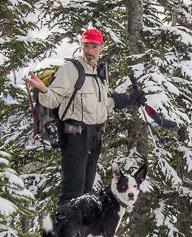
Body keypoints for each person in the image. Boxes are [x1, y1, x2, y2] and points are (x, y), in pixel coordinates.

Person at [23, 29, 146, 205]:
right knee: (72, 192)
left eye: (94, 46)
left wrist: (130, 100)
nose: (89, 51)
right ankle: (62, 231)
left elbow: (104, 104)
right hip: (75, 137)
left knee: (86, 192)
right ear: (81, 46)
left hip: (94, 137)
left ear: (101, 48)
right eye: (86, 46)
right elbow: (52, 100)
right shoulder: (71, 69)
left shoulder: (99, 73)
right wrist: (42, 89)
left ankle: (79, 232)